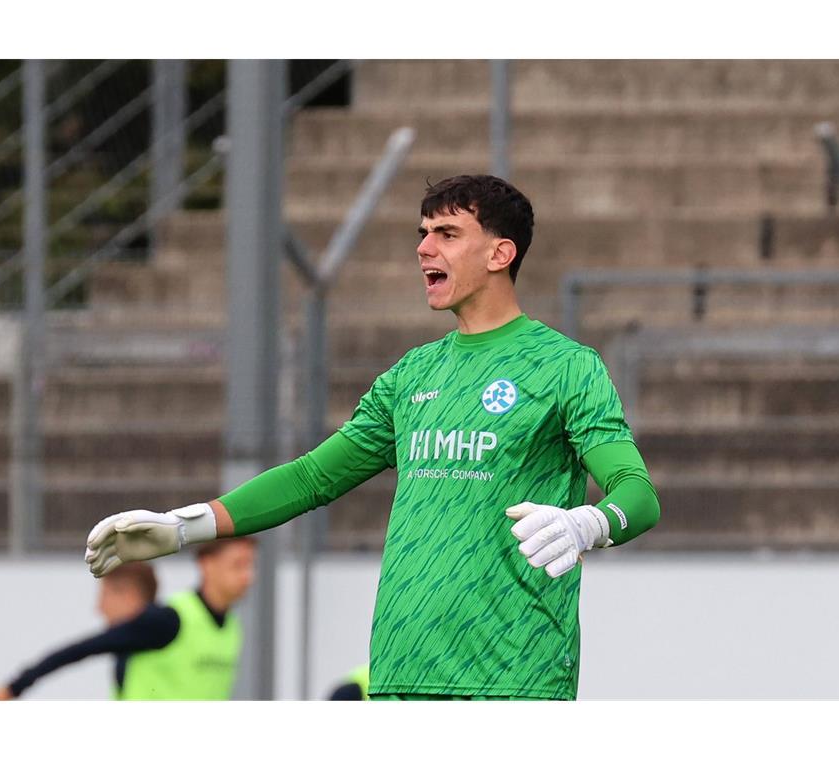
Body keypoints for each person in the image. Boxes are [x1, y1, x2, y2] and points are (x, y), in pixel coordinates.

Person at [84, 174, 661, 700]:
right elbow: (313, 477)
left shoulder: (566, 366)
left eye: (447, 233)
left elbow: (638, 492)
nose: (424, 247)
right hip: (398, 672)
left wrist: (589, 523)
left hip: (516, 676)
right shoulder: (411, 376)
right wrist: (189, 527)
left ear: (500, 253)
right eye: (423, 232)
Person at [0, 538, 255, 700]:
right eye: (238, 565)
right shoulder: (169, 621)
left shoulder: (231, 627)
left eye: (250, 566)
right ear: (206, 564)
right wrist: (14, 687)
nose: (248, 576)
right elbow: (84, 648)